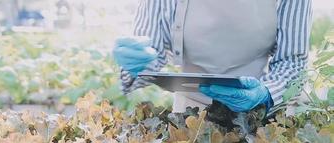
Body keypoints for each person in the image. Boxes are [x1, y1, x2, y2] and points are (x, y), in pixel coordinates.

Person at [113, 0, 312, 114]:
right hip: (190, 114)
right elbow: (149, 59)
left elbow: (293, 62)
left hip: (264, 113)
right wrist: (135, 64)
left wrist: (265, 96)